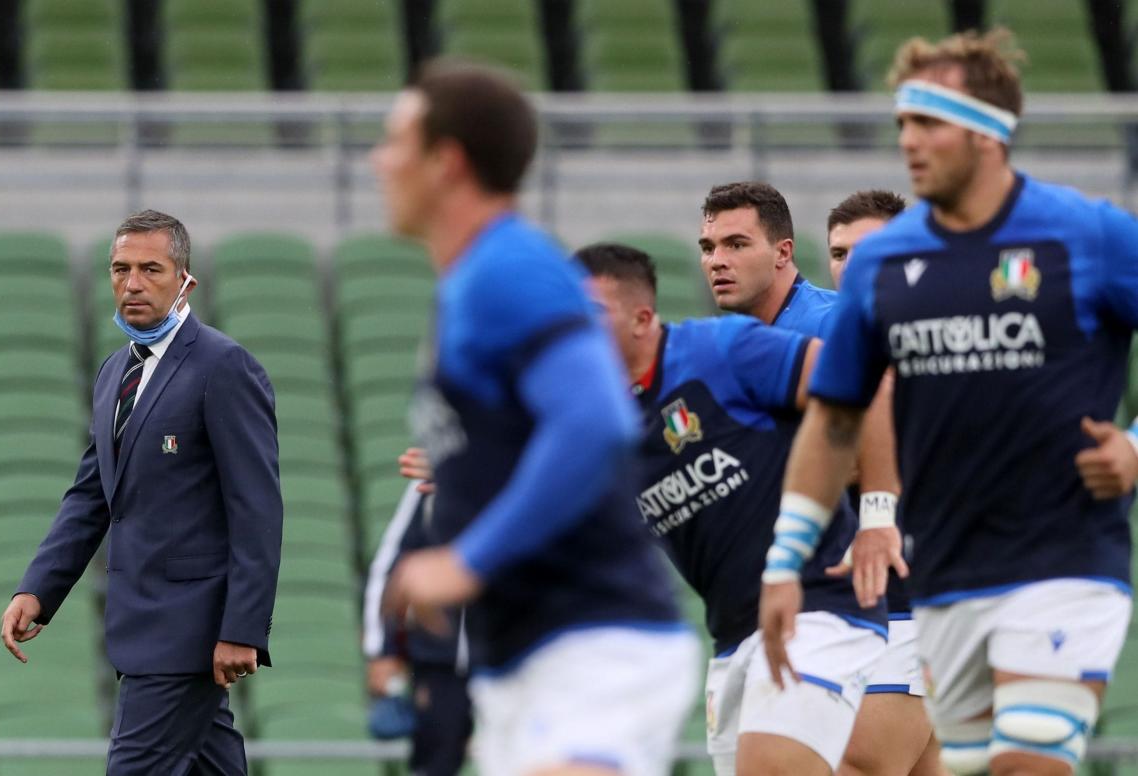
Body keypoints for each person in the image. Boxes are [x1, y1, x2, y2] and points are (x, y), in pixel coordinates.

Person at [759, 29, 1137, 776]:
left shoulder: (1087, 236)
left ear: (989, 134)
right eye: (902, 124)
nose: (909, 142)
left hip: (1064, 566)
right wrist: (782, 561)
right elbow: (835, 421)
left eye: (929, 123)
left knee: (1028, 765)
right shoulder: (883, 268)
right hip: (945, 579)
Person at [371, 61, 699, 776]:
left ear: (447, 162)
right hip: (523, 658)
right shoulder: (472, 279)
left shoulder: (507, 269)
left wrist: (466, 561)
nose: (378, 159)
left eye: (396, 141)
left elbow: (596, 423)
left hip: (591, 641)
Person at [575, 242, 887, 776]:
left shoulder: (722, 349)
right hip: (732, 637)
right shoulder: (600, 426)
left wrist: (879, 517)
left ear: (642, 318)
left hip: (817, 606)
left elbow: (862, 380)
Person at [0, 210, 282, 775]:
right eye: (120, 269)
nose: (132, 284)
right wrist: (38, 588)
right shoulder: (113, 374)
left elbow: (257, 508)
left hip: (187, 633)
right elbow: (90, 496)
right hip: (143, 628)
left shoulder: (223, 367)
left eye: (151, 269)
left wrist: (242, 629)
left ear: (185, 281)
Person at [826, 191, 949, 776]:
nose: (851, 266)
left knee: (858, 765)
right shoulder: (832, 347)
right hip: (867, 607)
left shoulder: (950, 343)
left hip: (911, 603)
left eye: (868, 250)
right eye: (839, 252)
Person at [363, 479, 472, 776]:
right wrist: (381, 650)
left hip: (514, 652)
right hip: (440, 663)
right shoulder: (430, 482)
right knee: (434, 764)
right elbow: (389, 566)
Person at [697, 181, 836, 335]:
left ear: (782, 253)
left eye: (737, 245)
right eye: (708, 249)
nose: (716, 262)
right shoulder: (728, 339)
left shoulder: (835, 326)